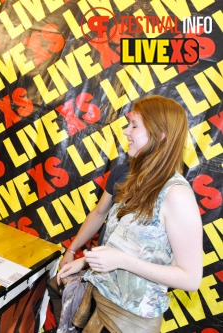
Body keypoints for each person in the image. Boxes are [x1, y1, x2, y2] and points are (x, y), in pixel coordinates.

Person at [56, 95, 203, 332]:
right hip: (101, 305)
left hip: (130, 322)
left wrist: (122, 261)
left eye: (134, 125)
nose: (126, 131)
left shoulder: (176, 195)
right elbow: (127, 247)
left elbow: (190, 278)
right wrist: (85, 262)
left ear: (160, 135)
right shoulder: (138, 180)